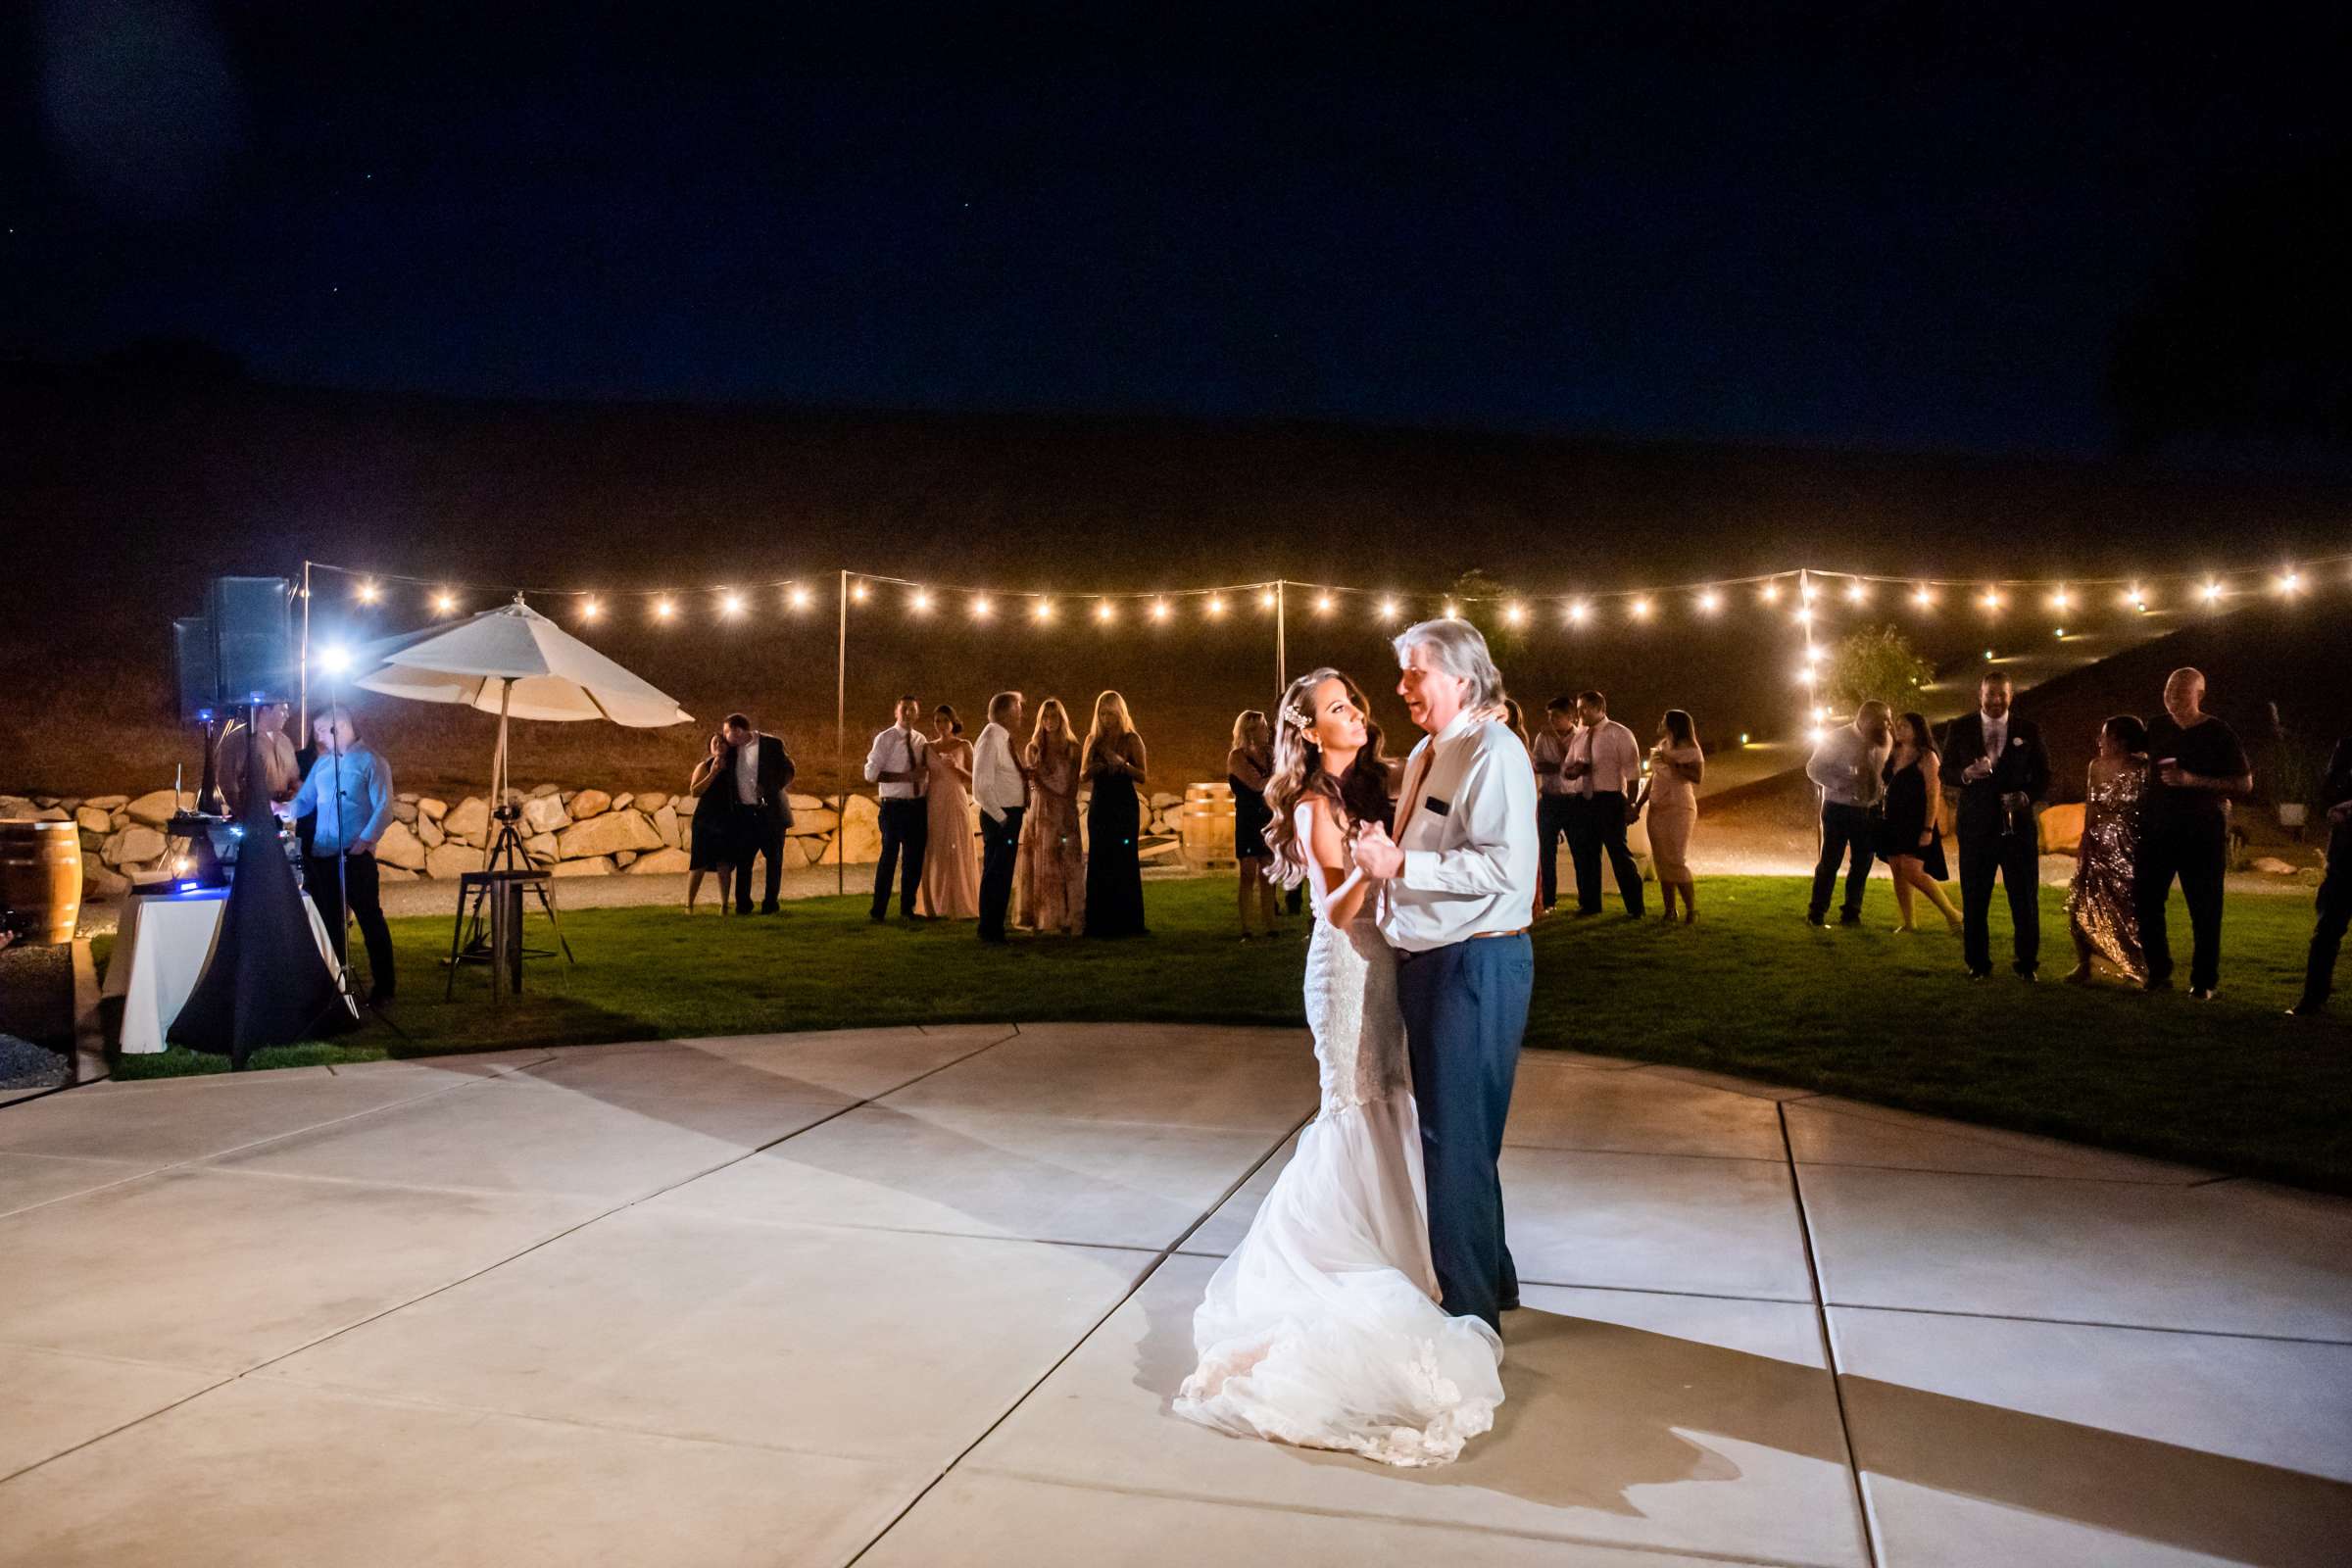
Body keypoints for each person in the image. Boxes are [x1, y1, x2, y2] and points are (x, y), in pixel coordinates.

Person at [1177, 666, 1502, 1467]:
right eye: (1335, 709)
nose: (1354, 714)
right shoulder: (1314, 802)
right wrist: (1372, 862)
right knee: (1355, 1105)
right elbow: (1333, 904)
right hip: (1346, 969)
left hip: (1386, 965)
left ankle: (1405, 1255)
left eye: (1353, 703)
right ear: (1308, 732)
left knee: (1390, 1100)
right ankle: (1345, 1259)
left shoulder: (1370, 784)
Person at [1351, 617, 1539, 1335]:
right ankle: (1492, 1279)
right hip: (1437, 963)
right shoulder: (1435, 748)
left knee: (1454, 1141)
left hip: (1475, 963)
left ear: (1462, 676)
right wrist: (1387, 852)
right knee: (1460, 1137)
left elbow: (1506, 867)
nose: (1401, 687)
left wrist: (1402, 867)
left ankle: (1466, 1317)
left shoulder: (1494, 750)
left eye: (1415, 671)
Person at [2138, 668, 2252, 998]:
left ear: (2199, 695)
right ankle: (2158, 973)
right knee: (2147, 902)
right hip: (2157, 829)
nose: (2173, 698)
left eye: (2182, 692)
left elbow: (2243, 783)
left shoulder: (2218, 732)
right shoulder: (2157, 727)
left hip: (2201, 831)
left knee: (2204, 907)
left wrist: (2193, 781)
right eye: (2169, 690)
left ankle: (2203, 981)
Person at [1940, 673, 2051, 978]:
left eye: (2002, 695)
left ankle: (2027, 964)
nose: (1996, 701)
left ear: (2011, 696)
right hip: (1976, 827)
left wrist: (2026, 796)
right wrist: (1966, 774)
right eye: (1990, 695)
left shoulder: (2028, 730)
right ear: (1980, 695)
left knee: (2024, 899)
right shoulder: (1961, 728)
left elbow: (2044, 775)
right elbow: (1945, 771)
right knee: (1975, 898)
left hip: (2018, 829)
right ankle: (1977, 963)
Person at [290, 705, 397, 1004]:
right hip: (322, 857)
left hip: (353, 858)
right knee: (328, 922)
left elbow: (384, 808)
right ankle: (335, 985)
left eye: (322, 730)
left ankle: (384, 986)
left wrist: (363, 842)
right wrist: (280, 809)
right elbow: (305, 802)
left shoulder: (372, 762)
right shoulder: (323, 765)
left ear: (341, 726)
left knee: (369, 919)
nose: (318, 737)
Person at [2065, 715, 2150, 985]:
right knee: (2081, 902)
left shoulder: (2142, 768)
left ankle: (2133, 965)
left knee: (2127, 908)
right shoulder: (2096, 766)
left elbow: (2146, 808)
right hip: (2097, 842)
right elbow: (2091, 804)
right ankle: (2084, 962)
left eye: (2105, 735)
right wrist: (2085, 838)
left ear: (2120, 741)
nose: (2099, 741)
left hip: (2127, 843)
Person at [1804, 701, 1892, 926]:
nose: (1887, 724)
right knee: (1830, 861)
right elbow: (1813, 767)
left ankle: (1852, 912)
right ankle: (1817, 911)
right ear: (1864, 720)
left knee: (1862, 863)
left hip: (1869, 809)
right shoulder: (1836, 739)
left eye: (1888, 719)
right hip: (1839, 808)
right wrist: (1839, 782)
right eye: (1881, 720)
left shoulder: (1886, 740)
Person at [1877, 711, 1962, 936]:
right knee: (1896, 868)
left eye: (1904, 726)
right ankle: (1909, 922)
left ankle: (1954, 915)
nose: (1899, 730)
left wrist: (1928, 828)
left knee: (1912, 870)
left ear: (1917, 729)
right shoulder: (1895, 752)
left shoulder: (1927, 757)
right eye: (1898, 726)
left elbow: (1933, 793)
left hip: (1915, 820)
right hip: (1893, 818)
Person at [1563, 690, 1644, 917]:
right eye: (1578, 709)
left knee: (1619, 853)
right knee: (1585, 855)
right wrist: (1574, 771)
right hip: (1583, 800)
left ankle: (1635, 907)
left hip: (1609, 800)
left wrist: (1631, 804)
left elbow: (1632, 772)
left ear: (1600, 708)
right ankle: (1590, 904)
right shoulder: (1579, 735)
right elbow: (1566, 767)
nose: (1579, 714)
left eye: (1584, 709)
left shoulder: (1619, 734)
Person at [2289, 735, 2352, 1018]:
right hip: (2345, 855)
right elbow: (2327, 790)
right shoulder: (2347, 745)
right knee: (2327, 929)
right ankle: (2313, 997)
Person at [1081, 690, 1149, 937]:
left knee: (1124, 859)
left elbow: (1142, 776)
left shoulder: (1131, 739)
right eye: (1102, 713)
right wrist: (1095, 767)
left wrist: (1122, 764)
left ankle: (1128, 921)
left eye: (1111, 713)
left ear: (1120, 714)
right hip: (1101, 803)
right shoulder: (1092, 740)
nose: (1106, 718)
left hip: (1123, 804)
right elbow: (1082, 775)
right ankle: (1099, 922)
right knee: (1100, 858)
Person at [1015, 698, 1084, 934]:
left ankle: (1069, 916)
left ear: (1062, 719)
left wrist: (1039, 778)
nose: (1049, 721)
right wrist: (1033, 781)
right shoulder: (1033, 748)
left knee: (1067, 863)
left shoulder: (1072, 748)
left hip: (1064, 810)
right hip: (1040, 811)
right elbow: (1031, 785)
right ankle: (1042, 916)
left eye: (1054, 716)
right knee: (1041, 861)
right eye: (1045, 717)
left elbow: (1069, 786)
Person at [719, 712, 795, 915]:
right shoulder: (731, 752)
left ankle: (770, 904)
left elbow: (788, 771)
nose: (724, 736)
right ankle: (743, 905)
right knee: (743, 861)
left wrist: (769, 788)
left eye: (727, 731)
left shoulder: (772, 744)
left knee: (774, 860)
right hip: (744, 814)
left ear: (738, 730)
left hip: (770, 813)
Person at [863, 696, 930, 921]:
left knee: (913, 859)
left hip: (917, 808)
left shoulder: (921, 740)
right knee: (889, 857)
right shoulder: (886, 738)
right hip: (894, 808)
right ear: (896, 712)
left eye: (913, 709)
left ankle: (907, 908)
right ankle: (878, 910)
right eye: (904, 709)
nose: (908, 713)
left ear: (918, 713)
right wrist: (905, 777)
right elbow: (870, 774)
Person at [1635, 709, 1704, 923]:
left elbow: (1697, 776)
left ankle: (1691, 910)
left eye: (1664, 720)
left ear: (1674, 725)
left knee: (1675, 858)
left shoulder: (1690, 750)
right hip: (1658, 807)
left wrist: (1673, 763)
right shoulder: (1661, 747)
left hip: (1679, 807)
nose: (1660, 722)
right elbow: (1654, 778)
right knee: (1661, 859)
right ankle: (1670, 909)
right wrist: (1639, 804)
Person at [972, 691, 1028, 943]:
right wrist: (1002, 818)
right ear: (1006, 711)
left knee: (1002, 874)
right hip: (1001, 816)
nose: (1021, 714)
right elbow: (981, 785)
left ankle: (993, 926)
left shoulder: (1001, 737)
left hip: (1007, 814)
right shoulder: (992, 736)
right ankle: (990, 928)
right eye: (1018, 708)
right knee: (997, 873)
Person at [916, 704, 980, 919]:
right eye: (937, 721)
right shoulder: (927, 748)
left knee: (957, 845)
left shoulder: (964, 745)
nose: (941, 725)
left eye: (945, 720)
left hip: (955, 798)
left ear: (953, 722)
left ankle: (960, 902)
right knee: (936, 848)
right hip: (934, 801)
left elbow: (975, 778)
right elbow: (921, 775)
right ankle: (935, 903)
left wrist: (957, 767)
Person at [1229, 710, 1279, 940]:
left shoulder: (1270, 754)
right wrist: (1280, 776)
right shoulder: (1237, 757)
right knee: (1248, 872)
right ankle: (1246, 927)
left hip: (1267, 818)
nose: (1267, 731)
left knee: (1268, 872)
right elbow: (1256, 784)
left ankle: (1270, 925)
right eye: (1263, 727)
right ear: (1250, 731)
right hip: (1248, 819)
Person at [1529, 696, 1580, 914]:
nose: (1552, 721)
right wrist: (1561, 766)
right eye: (1550, 717)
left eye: (1557, 716)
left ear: (1570, 717)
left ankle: (1587, 900)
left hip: (1574, 799)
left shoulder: (1581, 737)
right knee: (1546, 853)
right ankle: (1549, 901)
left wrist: (1560, 766)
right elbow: (1538, 764)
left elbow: (1582, 766)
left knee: (1581, 851)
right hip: (1550, 798)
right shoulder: (1543, 737)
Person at [683, 732, 737, 914]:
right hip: (705, 820)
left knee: (724, 863)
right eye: (715, 742)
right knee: (699, 863)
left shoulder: (734, 766)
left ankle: (724, 906)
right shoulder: (704, 766)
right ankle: (689, 905)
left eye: (722, 742)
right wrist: (713, 773)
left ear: (729, 746)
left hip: (726, 819)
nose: (719, 745)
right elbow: (695, 792)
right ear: (710, 747)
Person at [216, 702, 299, 817]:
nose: (287, 715)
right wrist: (244, 813)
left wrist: (293, 796)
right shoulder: (240, 739)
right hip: (255, 815)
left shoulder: (285, 742)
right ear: (265, 710)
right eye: (282, 710)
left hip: (282, 816)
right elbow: (228, 782)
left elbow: (294, 779)